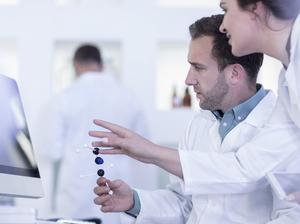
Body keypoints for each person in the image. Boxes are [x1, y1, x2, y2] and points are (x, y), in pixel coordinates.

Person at [90, 15, 282, 223]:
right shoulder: (201, 123)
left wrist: (150, 151)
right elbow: (186, 202)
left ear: (235, 73)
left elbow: (286, 210)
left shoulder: (280, 126)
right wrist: (134, 201)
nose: (188, 80)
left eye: (198, 68)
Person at [42, 44, 157, 223]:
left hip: (76, 195)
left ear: (76, 65)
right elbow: (144, 149)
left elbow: (51, 150)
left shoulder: (64, 98)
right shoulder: (128, 97)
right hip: (119, 192)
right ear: (101, 64)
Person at [218, 0, 300, 217]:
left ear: (256, 7)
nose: (222, 26)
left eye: (225, 10)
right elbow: (249, 165)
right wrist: (149, 151)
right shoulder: (286, 78)